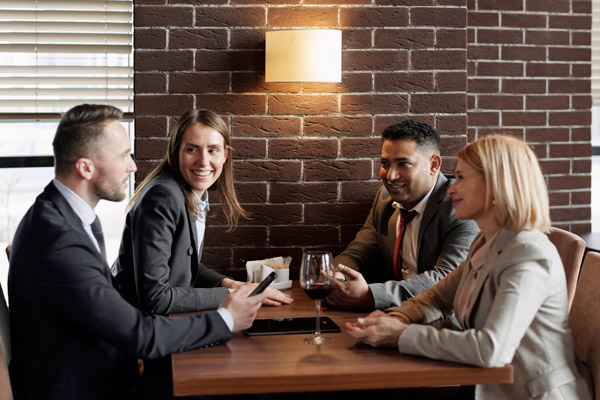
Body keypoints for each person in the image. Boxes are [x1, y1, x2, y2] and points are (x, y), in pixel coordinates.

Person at [8, 104, 267, 400]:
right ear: (86, 167)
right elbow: (141, 335)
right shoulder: (60, 240)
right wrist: (227, 319)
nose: (132, 166)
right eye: (123, 156)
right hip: (90, 389)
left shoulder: (63, 215)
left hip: (107, 371)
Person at [346, 135, 593, 399]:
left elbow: (491, 350)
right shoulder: (485, 241)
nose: (451, 188)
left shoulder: (527, 254)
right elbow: (437, 298)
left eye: (462, 178)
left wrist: (401, 335)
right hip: (486, 387)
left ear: (497, 185)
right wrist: (396, 318)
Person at [115, 109, 291, 316]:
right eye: (192, 150)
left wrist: (232, 284)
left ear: (225, 155)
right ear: (175, 152)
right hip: (139, 330)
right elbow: (155, 298)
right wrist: (231, 296)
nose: (203, 161)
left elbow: (183, 264)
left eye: (213, 150)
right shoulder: (163, 197)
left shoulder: (191, 193)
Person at [327, 120, 478, 310]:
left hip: (445, 320)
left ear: (434, 165)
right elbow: (358, 254)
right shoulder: (384, 200)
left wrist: (371, 296)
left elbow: (447, 279)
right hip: (397, 314)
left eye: (403, 164)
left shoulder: (460, 205)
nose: (390, 176)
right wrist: (337, 277)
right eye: (385, 164)